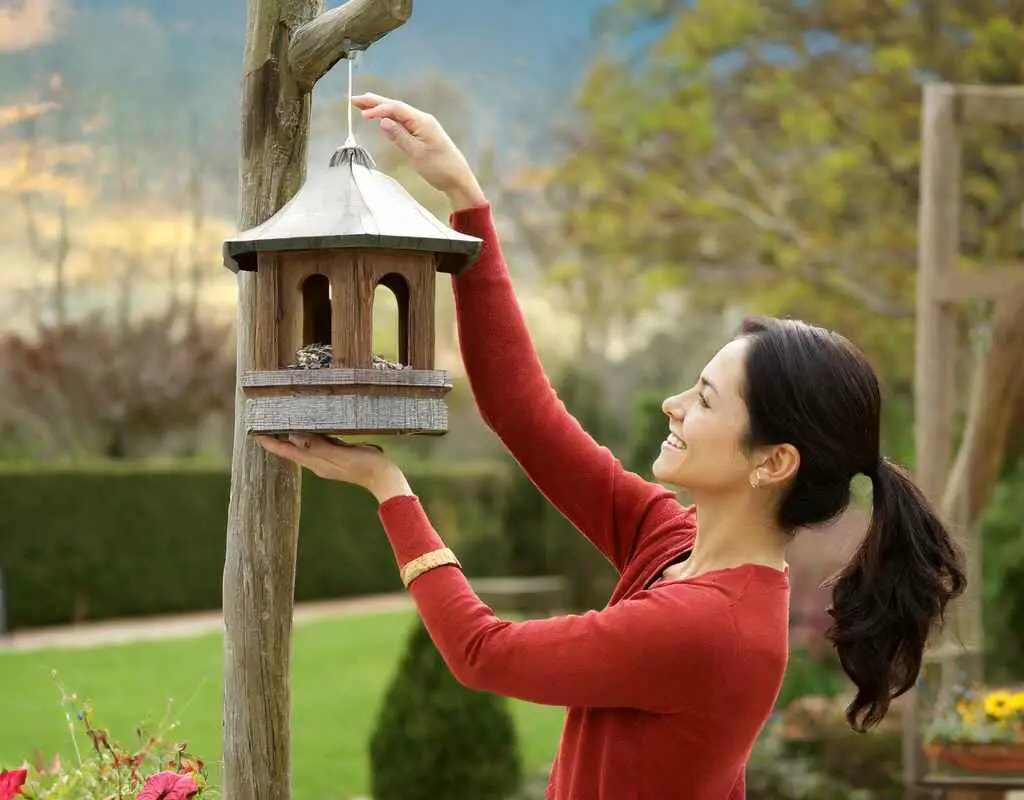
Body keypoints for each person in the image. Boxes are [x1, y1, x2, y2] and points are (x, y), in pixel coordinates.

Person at [257, 93, 967, 800]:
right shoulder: (671, 543)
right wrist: (466, 201)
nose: (674, 405)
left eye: (707, 400)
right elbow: (523, 413)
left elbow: (483, 654)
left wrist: (391, 490)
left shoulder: (712, 627)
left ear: (773, 461)